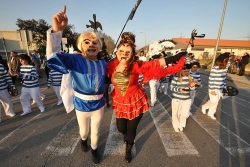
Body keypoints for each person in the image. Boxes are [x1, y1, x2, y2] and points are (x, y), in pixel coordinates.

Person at [107, 32, 186, 163]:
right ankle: (126, 136)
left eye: (128, 51)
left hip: (136, 100)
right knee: (121, 128)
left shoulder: (136, 65)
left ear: (132, 54)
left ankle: (129, 147)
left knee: (131, 128)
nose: (124, 53)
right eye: (121, 50)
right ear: (117, 52)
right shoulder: (111, 65)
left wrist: (173, 58)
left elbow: (154, 64)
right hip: (121, 102)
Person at [46, 5, 106, 164]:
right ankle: (83, 140)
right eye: (87, 42)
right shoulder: (76, 59)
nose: (91, 44)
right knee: (84, 131)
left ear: (99, 46)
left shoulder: (104, 63)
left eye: (95, 42)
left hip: (99, 103)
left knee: (96, 131)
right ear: (81, 46)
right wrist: (57, 32)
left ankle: (94, 148)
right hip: (81, 104)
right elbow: (53, 58)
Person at [201, 52, 231, 120]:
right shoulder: (215, 68)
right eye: (227, 59)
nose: (228, 61)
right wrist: (212, 90)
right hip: (214, 88)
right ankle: (204, 106)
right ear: (224, 60)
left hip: (220, 88)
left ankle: (211, 113)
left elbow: (223, 79)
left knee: (216, 102)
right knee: (214, 101)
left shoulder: (225, 68)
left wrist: (225, 87)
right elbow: (211, 80)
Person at [170, 64, 197, 132]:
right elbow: (171, 87)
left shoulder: (190, 78)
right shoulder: (175, 78)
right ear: (180, 71)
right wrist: (179, 89)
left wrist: (192, 86)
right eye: (184, 71)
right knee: (175, 113)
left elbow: (193, 89)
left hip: (187, 98)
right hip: (176, 98)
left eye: (188, 71)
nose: (186, 72)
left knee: (185, 113)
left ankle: (181, 124)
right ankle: (176, 125)